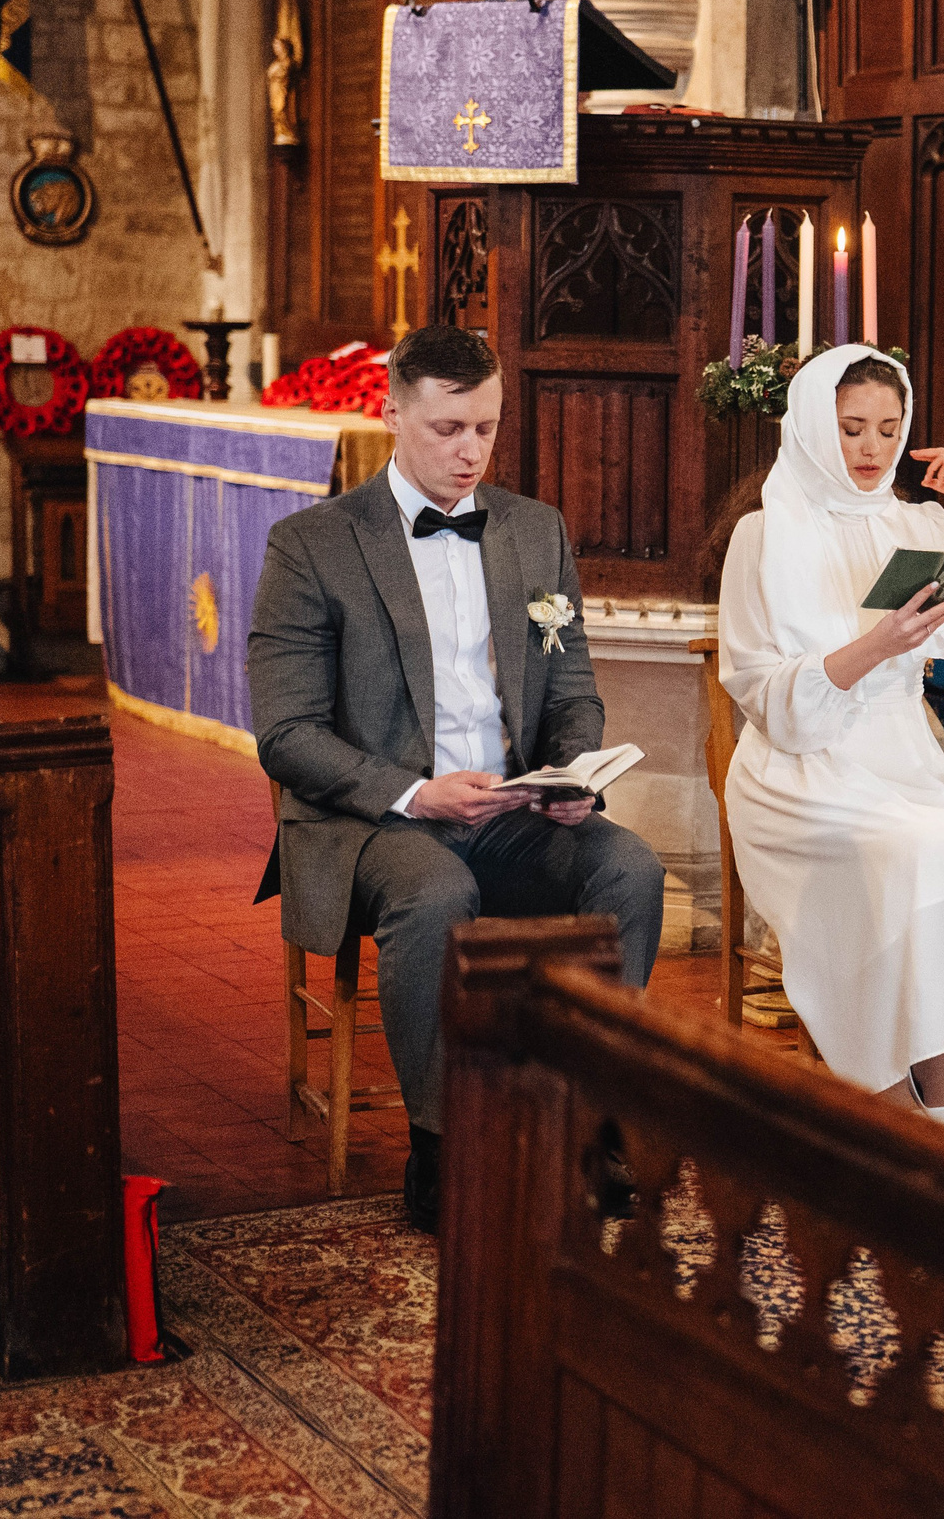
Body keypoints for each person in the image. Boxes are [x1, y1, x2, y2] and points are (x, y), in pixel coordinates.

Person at [249, 325, 665, 1232]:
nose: (470, 450)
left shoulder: (533, 529)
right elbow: (285, 733)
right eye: (446, 428)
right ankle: (441, 1144)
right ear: (391, 413)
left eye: (485, 426)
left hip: (512, 807)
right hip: (375, 821)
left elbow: (572, 685)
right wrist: (413, 794)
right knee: (438, 888)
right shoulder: (312, 543)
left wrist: (573, 770)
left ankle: (590, 1119)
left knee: (627, 867)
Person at [715, 345, 944, 1131]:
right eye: (850, 429)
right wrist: (878, 643)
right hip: (797, 769)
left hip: (903, 754)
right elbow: (767, 699)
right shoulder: (763, 537)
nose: (872, 449)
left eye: (887, 427)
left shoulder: (919, 523)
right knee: (905, 848)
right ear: (813, 427)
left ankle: (936, 1087)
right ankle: (884, 1093)